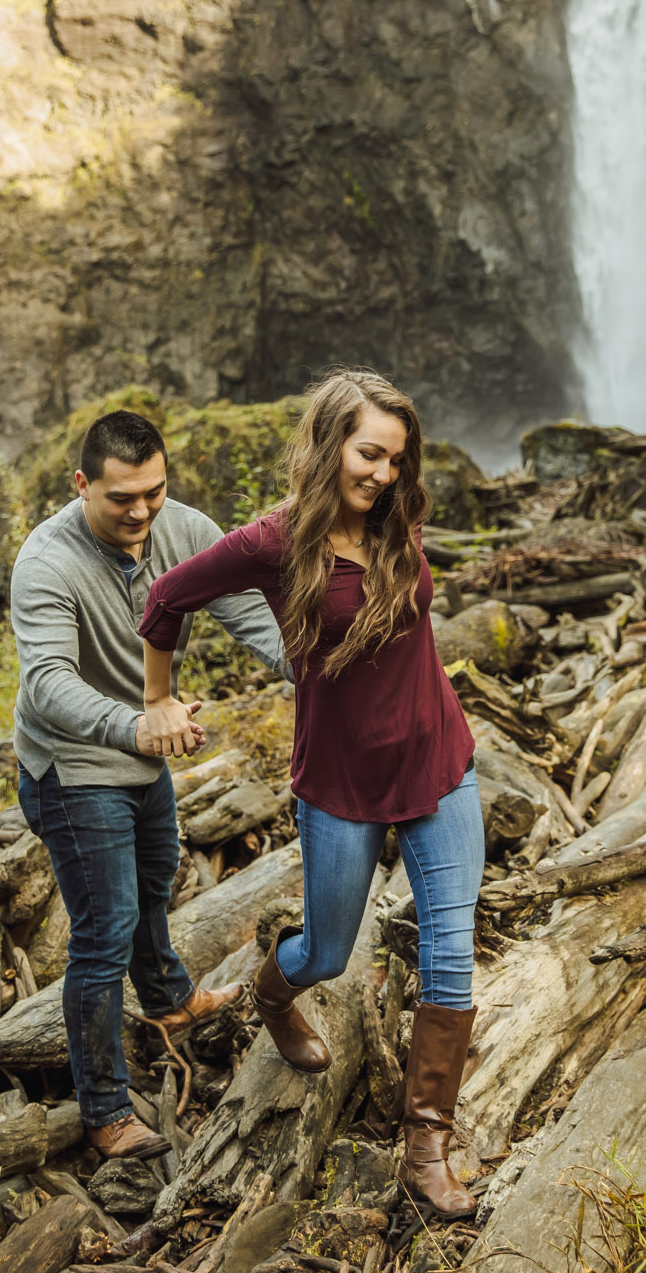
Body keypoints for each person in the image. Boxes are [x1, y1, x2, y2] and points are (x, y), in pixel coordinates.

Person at [137, 369, 485, 1218]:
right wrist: (155, 698)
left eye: (397, 460)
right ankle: (270, 993)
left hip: (439, 761)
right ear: (333, 443)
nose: (384, 475)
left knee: (450, 946)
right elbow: (166, 598)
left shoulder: (396, 521)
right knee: (328, 952)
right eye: (371, 453)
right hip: (340, 780)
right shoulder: (274, 542)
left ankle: (426, 1142)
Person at [11, 408, 287, 1161]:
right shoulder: (45, 563)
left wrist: (312, 666)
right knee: (103, 933)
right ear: (82, 485)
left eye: (153, 493)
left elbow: (245, 612)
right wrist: (137, 725)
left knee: (157, 876)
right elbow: (46, 687)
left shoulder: (185, 530)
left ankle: (168, 1002)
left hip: (144, 755)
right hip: (72, 771)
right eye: (121, 499)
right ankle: (103, 1111)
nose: (141, 513)